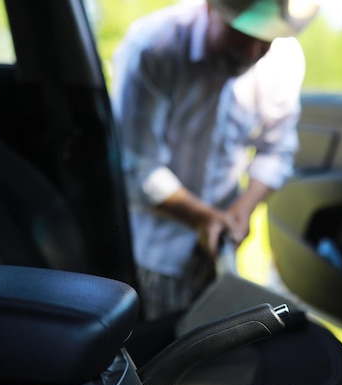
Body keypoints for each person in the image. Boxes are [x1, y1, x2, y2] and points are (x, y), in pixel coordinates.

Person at [112, 0, 318, 321]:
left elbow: (276, 150)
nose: (253, 51)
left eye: (267, 39)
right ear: (210, 8)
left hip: (221, 247)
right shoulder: (153, 49)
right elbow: (138, 166)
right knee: (161, 350)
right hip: (156, 250)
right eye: (243, 34)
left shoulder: (285, 59)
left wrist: (243, 208)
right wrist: (201, 217)